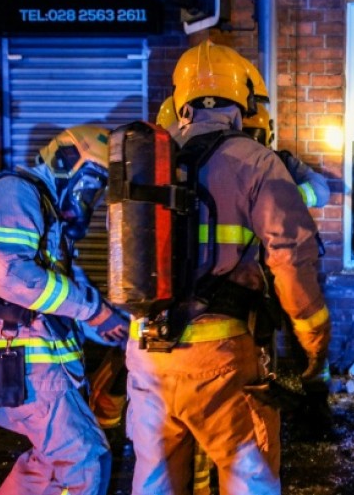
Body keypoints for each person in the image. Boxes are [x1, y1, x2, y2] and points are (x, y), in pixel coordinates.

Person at [124, 39, 330, 495]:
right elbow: (291, 259)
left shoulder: (147, 159)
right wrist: (314, 340)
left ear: (181, 104)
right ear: (243, 105)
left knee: (155, 483)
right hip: (219, 360)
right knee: (248, 479)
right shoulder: (257, 161)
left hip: (146, 357)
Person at [0, 124, 128, 495]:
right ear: (66, 161)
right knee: (85, 460)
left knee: (48, 466)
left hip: (29, 359)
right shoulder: (13, 192)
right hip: (17, 358)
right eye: (92, 184)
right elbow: (8, 273)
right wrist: (94, 311)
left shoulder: (41, 210)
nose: (90, 199)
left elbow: (58, 298)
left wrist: (116, 325)